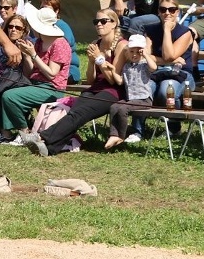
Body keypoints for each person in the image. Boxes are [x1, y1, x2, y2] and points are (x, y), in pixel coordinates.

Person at [23, 8, 127, 157]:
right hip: (95, 89)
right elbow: (91, 79)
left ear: (114, 23)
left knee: (79, 113)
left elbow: (113, 80)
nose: (99, 24)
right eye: (96, 21)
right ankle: (50, 149)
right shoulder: (95, 43)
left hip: (113, 92)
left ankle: (41, 137)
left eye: (103, 21)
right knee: (73, 113)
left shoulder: (122, 46)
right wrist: (92, 62)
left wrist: (99, 59)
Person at [0, 6, 70, 144]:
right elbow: (30, 72)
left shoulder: (59, 43)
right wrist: (26, 56)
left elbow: (51, 74)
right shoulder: (39, 42)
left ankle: (24, 133)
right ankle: (5, 134)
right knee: (1, 90)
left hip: (51, 88)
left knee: (10, 97)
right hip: (34, 83)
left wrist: (33, 55)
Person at [105, 34, 156, 149]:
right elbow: (120, 81)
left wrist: (146, 55)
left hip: (144, 99)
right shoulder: (127, 66)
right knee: (114, 107)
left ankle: (121, 136)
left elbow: (153, 68)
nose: (134, 54)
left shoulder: (144, 65)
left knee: (123, 109)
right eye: (132, 51)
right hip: (131, 99)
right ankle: (113, 134)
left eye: (138, 52)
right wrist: (113, 71)